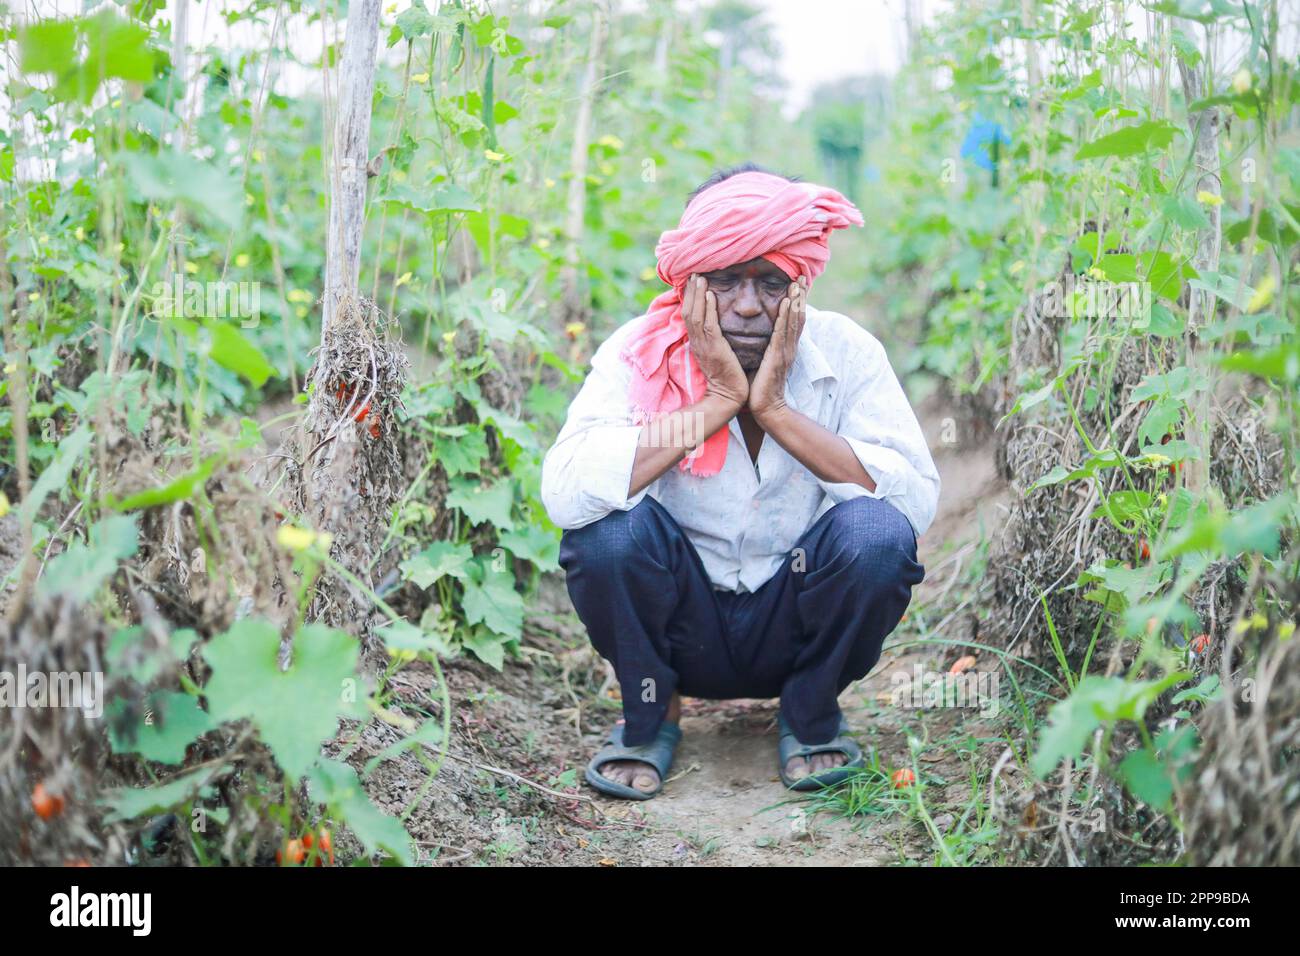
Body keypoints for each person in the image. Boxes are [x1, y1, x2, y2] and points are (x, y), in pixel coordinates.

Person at [540, 165, 940, 799]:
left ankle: (810, 715)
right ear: (691, 285)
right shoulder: (637, 352)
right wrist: (721, 398)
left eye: (771, 282)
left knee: (876, 533)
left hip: (792, 617)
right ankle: (652, 713)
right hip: (681, 625)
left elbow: (914, 505)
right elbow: (566, 492)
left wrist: (777, 410)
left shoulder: (849, 351)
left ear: (801, 286)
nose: (749, 306)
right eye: (725, 281)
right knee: (605, 535)